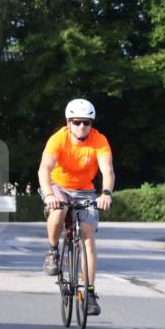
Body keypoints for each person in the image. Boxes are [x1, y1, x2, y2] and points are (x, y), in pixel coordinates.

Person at [37, 99, 114, 315]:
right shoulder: (58, 139)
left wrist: (106, 193)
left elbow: (107, 170)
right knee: (59, 209)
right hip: (57, 186)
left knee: (88, 238)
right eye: (77, 122)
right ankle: (52, 251)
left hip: (84, 191)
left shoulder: (99, 140)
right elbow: (44, 169)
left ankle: (89, 293)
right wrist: (50, 195)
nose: (82, 127)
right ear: (68, 122)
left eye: (87, 122)